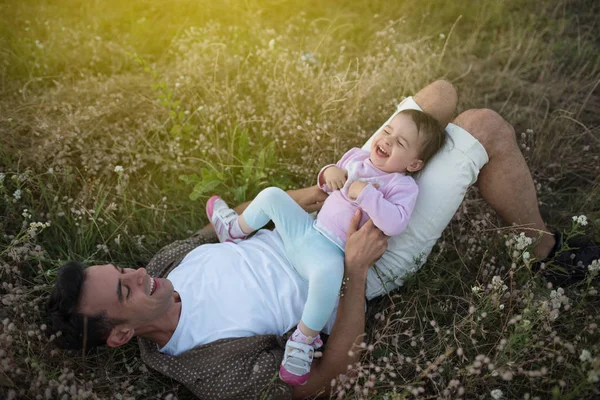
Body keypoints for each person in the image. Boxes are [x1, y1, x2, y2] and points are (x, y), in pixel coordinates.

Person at [46, 80, 598, 400]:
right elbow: (326, 378)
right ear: (120, 336)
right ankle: (546, 252)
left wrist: (319, 189)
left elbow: (236, 219)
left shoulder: (164, 265)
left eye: (121, 270)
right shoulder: (203, 365)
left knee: (438, 95)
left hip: (331, 210)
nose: (138, 274)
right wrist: (357, 273)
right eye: (124, 292)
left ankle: (424, 167)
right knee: (483, 126)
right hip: (361, 255)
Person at [205, 109, 445, 385]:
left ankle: (303, 340)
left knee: (329, 274)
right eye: (388, 131)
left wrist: (365, 194)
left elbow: (395, 223)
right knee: (272, 195)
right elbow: (329, 182)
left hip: (331, 252)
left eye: (400, 143)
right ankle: (234, 230)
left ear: (414, 164)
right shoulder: (357, 156)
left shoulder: (402, 186)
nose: (388, 140)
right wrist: (328, 173)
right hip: (307, 230)